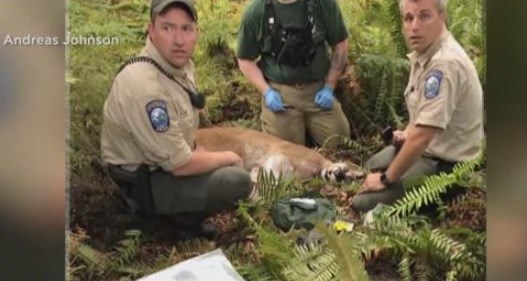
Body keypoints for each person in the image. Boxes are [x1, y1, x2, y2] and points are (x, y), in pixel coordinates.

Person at [100, 0, 252, 236]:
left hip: (162, 165)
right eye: (168, 28)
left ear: (196, 32)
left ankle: (180, 215)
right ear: (151, 30)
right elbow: (179, 165)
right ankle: (171, 223)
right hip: (143, 185)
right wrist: (229, 157)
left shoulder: (178, 68)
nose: (179, 40)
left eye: (186, 29)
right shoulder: (145, 86)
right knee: (236, 181)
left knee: (217, 164)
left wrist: (200, 152)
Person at [351, 0, 484, 212]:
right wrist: (407, 132)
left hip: (448, 167)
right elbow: (422, 119)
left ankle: (445, 195)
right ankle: (397, 172)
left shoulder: (444, 64)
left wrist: (385, 179)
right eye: (409, 18)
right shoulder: (426, 52)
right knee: (369, 166)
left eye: (424, 16)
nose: (414, 26)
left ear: (442, 17)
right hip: (429, 148)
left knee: (363, 203)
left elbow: (423, 135)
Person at [237, 0, 351, 146]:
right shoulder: (257, 11)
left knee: (341, 141)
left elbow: (340, 44)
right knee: (286, 153)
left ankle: (311, 131)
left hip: (317, 90)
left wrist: (330, 86)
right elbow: (244, 59)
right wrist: (266, 92)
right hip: (281, 95)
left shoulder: (323, 4)